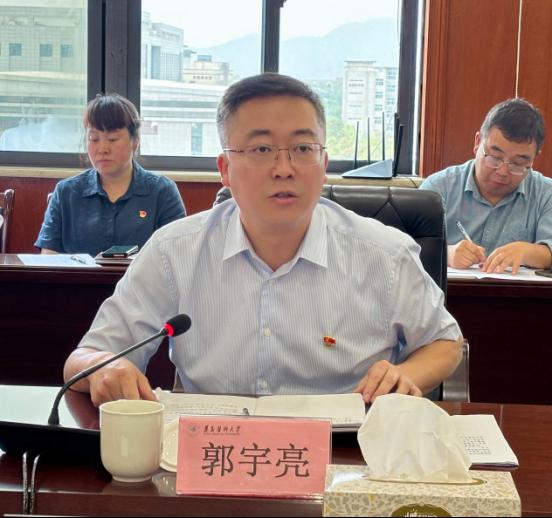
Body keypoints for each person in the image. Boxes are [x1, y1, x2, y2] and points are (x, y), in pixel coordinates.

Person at [64, 73, 463, 407]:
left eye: (303, 148)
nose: (284, 168)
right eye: (261, 149)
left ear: (323, 164)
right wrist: (106, 368)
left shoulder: (384, 254)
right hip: (217, 451)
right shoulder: (173, 252)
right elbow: (82, 359)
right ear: (225, 168)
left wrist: (406, 375)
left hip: (347, 452)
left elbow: (445, 342)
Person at [35, 93, 186, 257]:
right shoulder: (66, 192)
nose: (103, 149)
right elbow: (48, 256)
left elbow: (177, 255)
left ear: (135, 141)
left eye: (112, 139)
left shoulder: (162, 191)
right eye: (94, 139)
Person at [420, 98, 552, 273]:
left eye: (518, 164)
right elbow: (404, 245)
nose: (503, 171)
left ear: (534, 158)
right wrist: (446, 253)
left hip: (517, 291)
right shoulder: (438, 189)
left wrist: (527, 252)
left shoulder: (546, 194)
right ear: (477, 143)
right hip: (448, 290)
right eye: (495, 158)